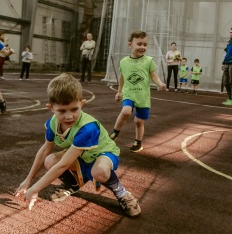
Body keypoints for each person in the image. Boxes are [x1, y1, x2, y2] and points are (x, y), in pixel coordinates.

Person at [14, 73, 141, 217]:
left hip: (102, 155)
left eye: (74, 109)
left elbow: (63, 165)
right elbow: (44, 150)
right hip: (80, 156)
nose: (69, 116)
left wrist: (35, 188)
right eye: (62, 111)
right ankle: (74, 183)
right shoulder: (53, 123)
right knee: (49, 160)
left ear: (82, 103)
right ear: (51, 108)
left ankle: (122, 193)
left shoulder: (87, 128)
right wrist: (28, 180)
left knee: (99, 171)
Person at [109, 30, 166, 152]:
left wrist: (160, 83)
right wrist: (119, 92)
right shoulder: (124, 62)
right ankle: (114, 133)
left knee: (139, 121)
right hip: (129, 93)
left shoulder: (148, 61)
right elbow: (122, 77)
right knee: (126, 111)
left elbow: (154, 76)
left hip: (143, 97)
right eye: (139, 44)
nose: (142, 47)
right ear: (130, 45)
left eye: (145, 45)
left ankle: (138, 143)